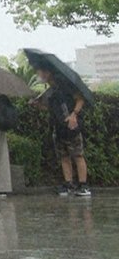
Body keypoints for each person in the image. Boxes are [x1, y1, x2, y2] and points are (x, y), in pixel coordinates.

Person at [35, 67, 90, 197]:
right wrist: (38, 105)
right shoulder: (50, 92)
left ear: (48, 72)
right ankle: (68, 184)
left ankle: (83, 185)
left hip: (71, 125)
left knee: (77, 155)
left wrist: (74, 115)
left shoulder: (66, 86)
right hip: (58, 127)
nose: (39, 74)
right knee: (64, 156)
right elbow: (49, 108)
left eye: (41, 72)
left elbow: (80, 99)